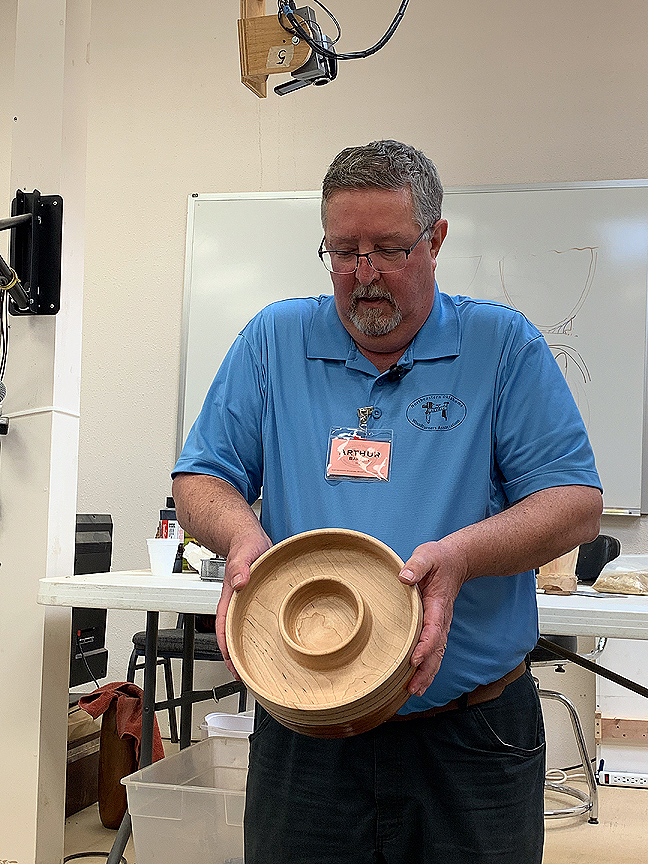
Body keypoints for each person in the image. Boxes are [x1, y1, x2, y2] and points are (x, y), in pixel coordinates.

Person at [172, 140, 603, 864]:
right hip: (307, 734)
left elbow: (574, 503)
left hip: (469, 736)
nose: (365, 273)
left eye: (390, 249)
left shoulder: (502, 346)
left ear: (436, 240)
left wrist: (461, 556)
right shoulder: (275, 341)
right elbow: (200, 479)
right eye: (344, 251)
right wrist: (243, 537)